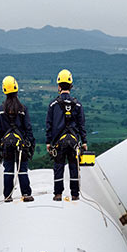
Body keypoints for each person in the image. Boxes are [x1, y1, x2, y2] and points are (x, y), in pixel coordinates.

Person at [46, 69, 86, 201]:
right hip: (74, 141)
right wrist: (84, 141)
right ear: (71, 86)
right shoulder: (78, 104)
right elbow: (81, 125)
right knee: (74, 167)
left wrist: (48, 142)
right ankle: (75, 194)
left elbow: (49, 125)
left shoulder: (53, 104)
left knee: (58, 167)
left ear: (59, 86)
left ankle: (58, 194)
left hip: (59, 142)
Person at [0, 75, 34, 202]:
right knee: (22, 169)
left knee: (8, 170)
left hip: (6, 145)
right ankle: (26, 193)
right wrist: (30, 144)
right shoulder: (22, 109)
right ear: (16, 88)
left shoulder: (0, 110)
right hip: (20, 144)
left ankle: (7, 195)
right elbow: (28, 128)